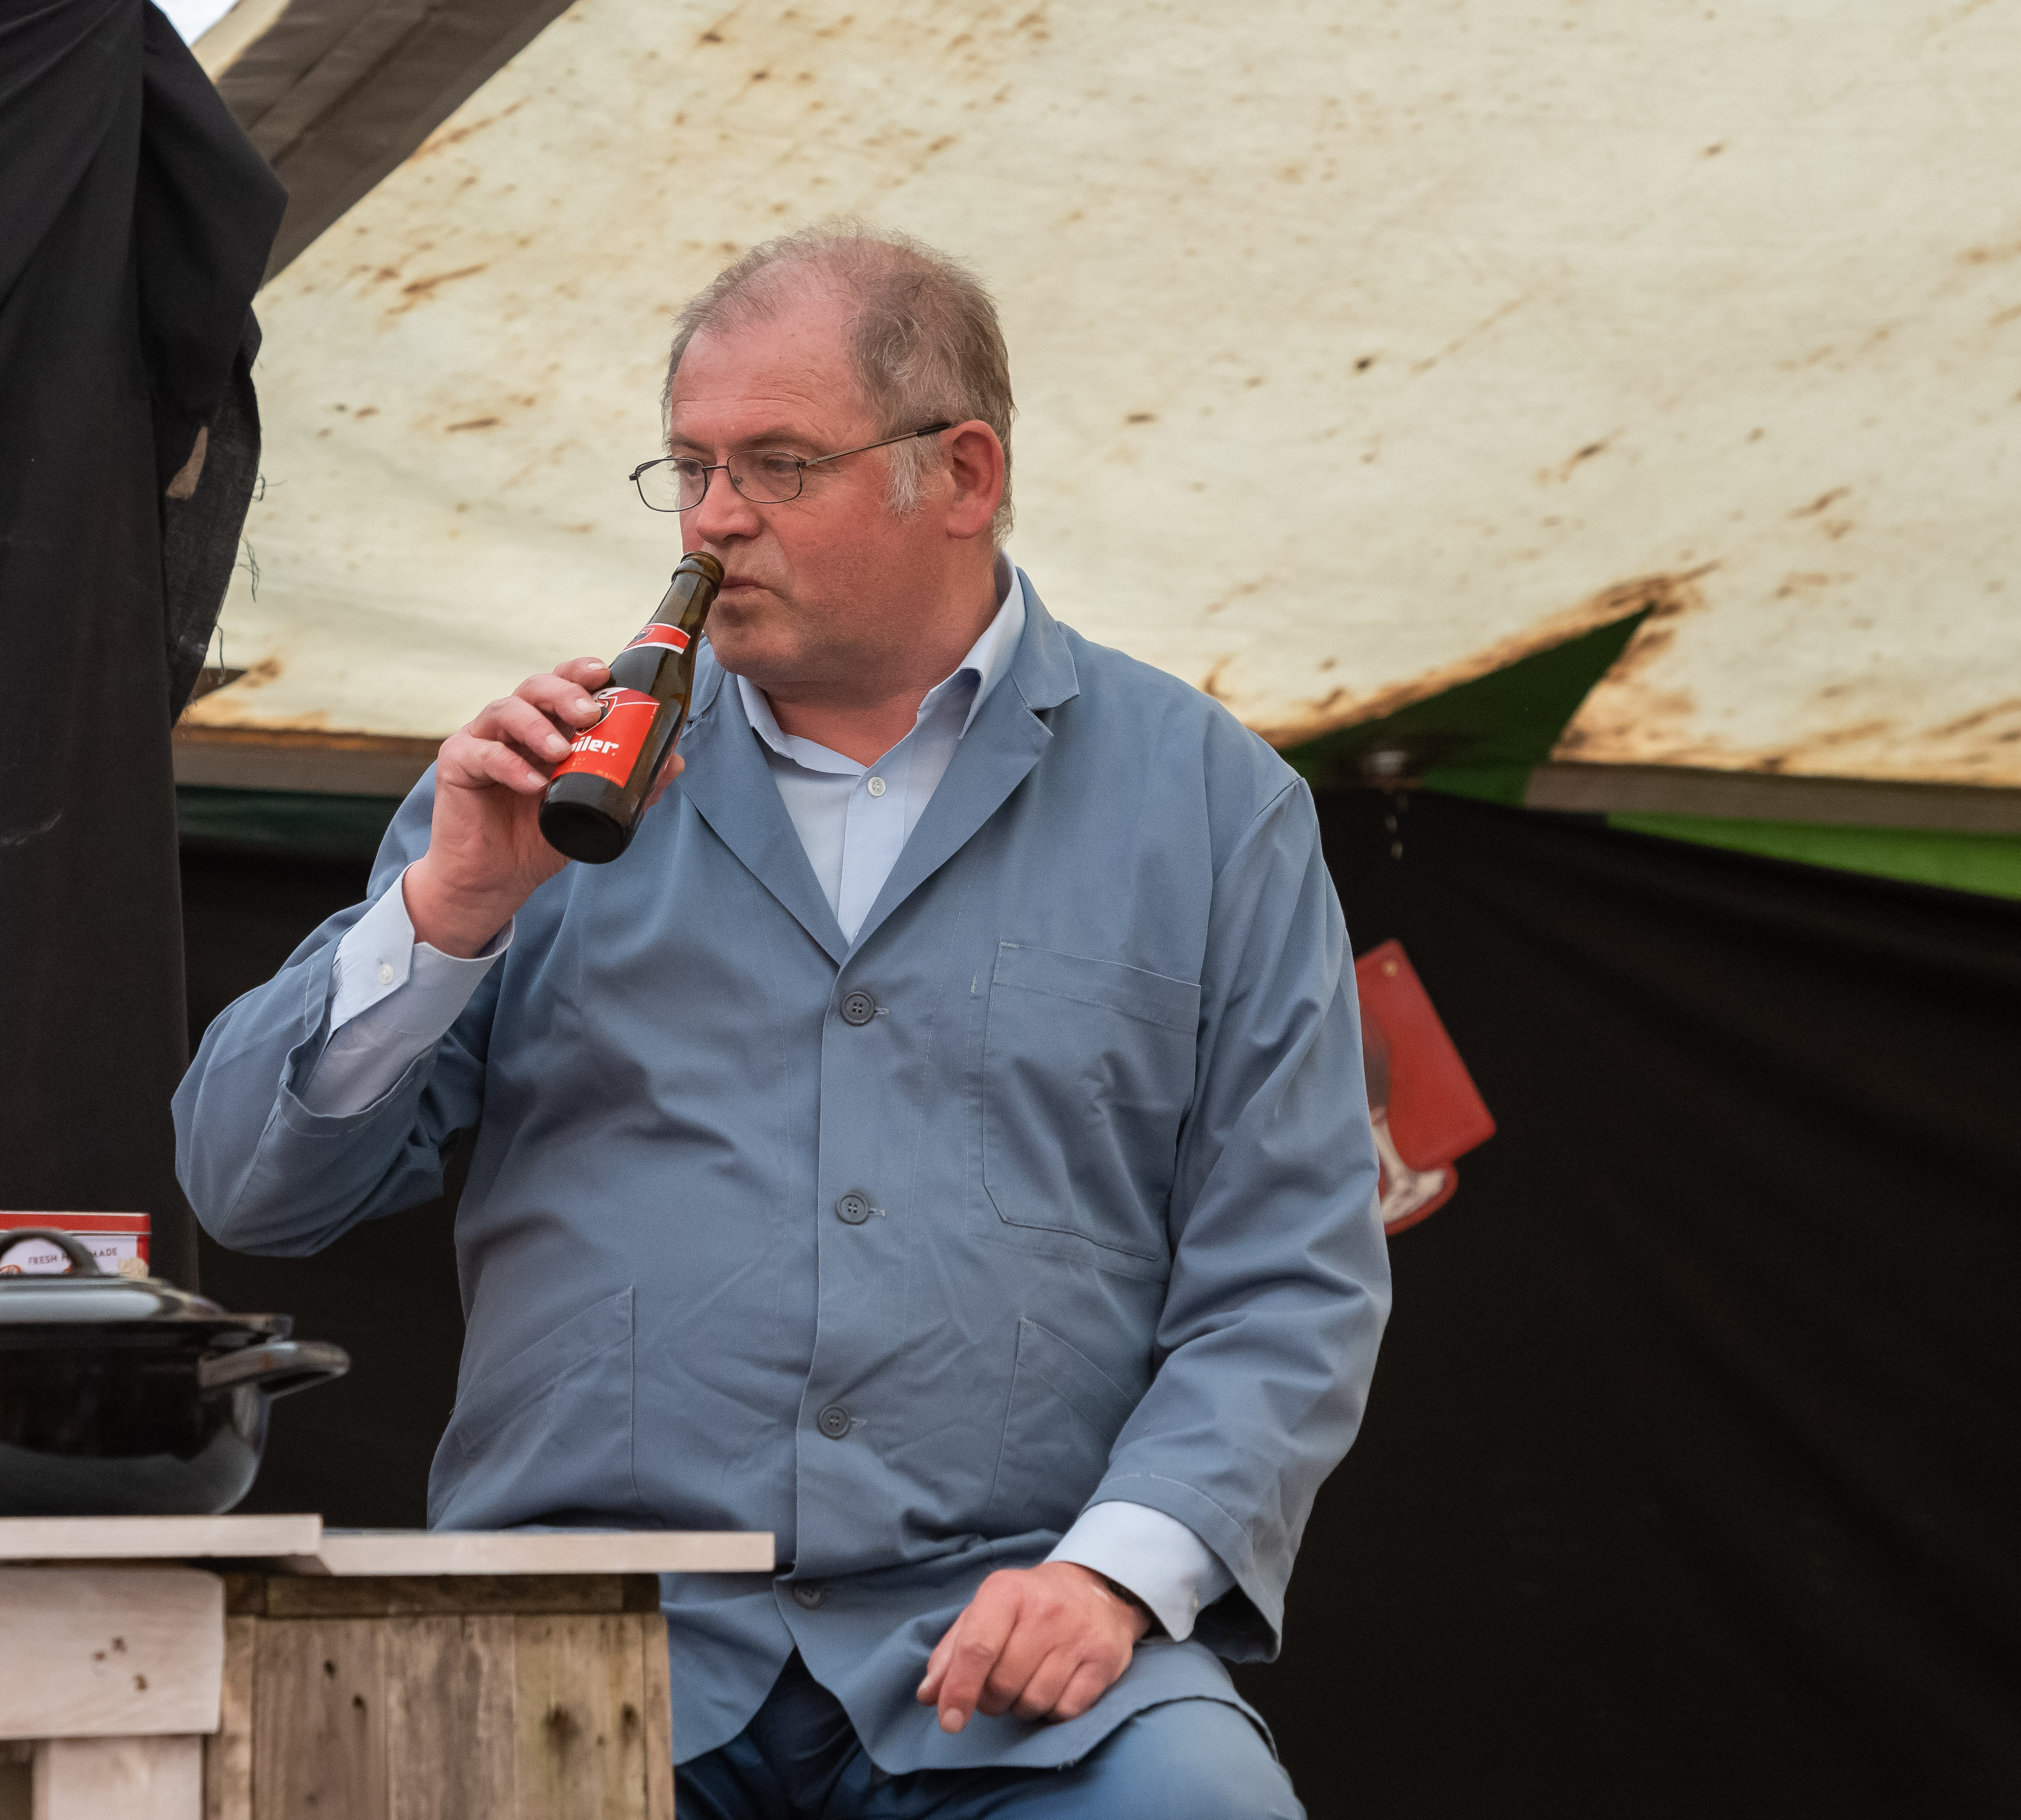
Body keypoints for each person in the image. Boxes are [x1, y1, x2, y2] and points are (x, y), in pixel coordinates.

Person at [175, 227, 1390, 1815]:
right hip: (593, 1623)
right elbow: (245, 1188)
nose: (713, 518)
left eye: (777, 465)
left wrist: (1113, 1575)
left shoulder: (1213, 803)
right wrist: (451, 906)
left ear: (960, 474)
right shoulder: (550, 781)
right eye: (688, 468)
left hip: (1008, 1635)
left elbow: (1290, 1273)